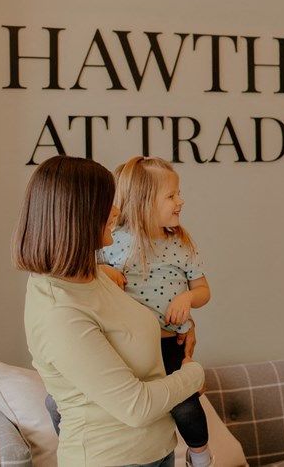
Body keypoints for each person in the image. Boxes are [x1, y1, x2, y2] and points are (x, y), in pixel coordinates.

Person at [12, 155, 205, 467]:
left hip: (156, 451)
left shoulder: (93, 274)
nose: (118, 211)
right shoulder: (59, 311)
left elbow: (132, 320)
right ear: (79, 215)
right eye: (108, 203)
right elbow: (136, 407)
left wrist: (185, 323)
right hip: (112, 458)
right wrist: (193, 373)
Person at [99, 156, 214, 467]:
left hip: (170, 343)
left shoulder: (182, 243)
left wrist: (188, 298)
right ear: (144, 202)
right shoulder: (112, 241)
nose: (181, 201)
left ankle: (201, 456)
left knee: (187, 407)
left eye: (179, 193)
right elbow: (90, 277)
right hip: (131, 348)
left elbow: (204, 291)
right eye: (171, 195)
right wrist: (104, 271)